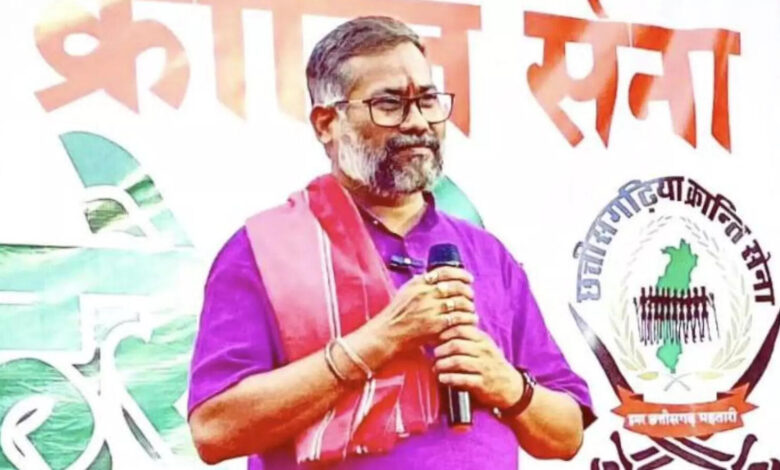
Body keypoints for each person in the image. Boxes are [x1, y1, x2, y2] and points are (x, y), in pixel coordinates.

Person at [187, 16, 595, 469]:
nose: (417, 122)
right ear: (326, 123)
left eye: (427, 100)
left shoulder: (485, 254)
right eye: (389, 104)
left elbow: (565, 436)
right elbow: (214, 430)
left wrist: (509, 385)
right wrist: (383, 338)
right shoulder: (264, 251)